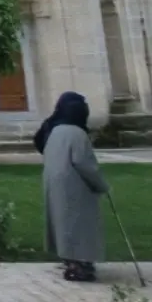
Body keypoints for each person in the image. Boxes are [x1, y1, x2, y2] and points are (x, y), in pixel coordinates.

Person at [35, 91, 110, 282]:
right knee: (79, 224)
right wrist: (101, 185)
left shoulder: (53, 130)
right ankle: (80, 264)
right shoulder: (77, 134)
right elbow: (84, 163)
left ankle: (70, 261)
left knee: (63, 223)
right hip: (75, 185)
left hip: (54, 184)